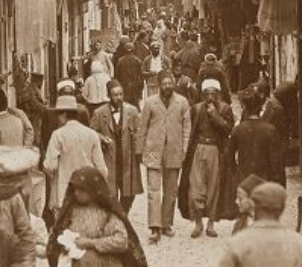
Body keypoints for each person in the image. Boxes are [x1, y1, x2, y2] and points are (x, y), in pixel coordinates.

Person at [135, 71, 192, 240]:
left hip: (174, 151)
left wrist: (185, 150)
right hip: (153, 151)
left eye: (170, 83)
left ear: (173, 84)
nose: (167, 86)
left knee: (171, 191)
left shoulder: (182, 102)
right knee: (153, 191)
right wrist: (139, 150)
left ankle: (166, 224)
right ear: (159, 85)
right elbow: (142, 128)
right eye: (164, 83)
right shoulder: (150, 103)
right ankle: (154, 226)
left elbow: (186, 128)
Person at [183, 77, 234, 238]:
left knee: (214, 188)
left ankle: (211, 224)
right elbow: (190, 132)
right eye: (207, 94)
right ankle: (198, 223)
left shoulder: (226, 109)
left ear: (218, 94)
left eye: (213, 94)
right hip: (198, 149)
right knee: (195, 188)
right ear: (203, 94)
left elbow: (229, 130)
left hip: (215, 151)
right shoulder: (196, 109)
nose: (210, 97)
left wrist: (216, 117)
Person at [43, 92, 109, 213]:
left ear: (63, 114)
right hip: (87, 191)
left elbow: (50, 166)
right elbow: (102, 169)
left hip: (63, 193)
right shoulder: (92, 134)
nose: (57, 118)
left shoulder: (58, 135)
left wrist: (53, 176)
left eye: (58, 114)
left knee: (64, 230)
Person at [92, 79, 142, 208]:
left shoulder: (132, 111)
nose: (119, 98)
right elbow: (91, 133)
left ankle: (122, 215)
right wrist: (103, 138)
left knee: (129, 194)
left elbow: (139, 132)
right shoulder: (99, 113)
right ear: (109, 96)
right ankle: (117, 219)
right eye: (115, 95)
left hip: (127, 160)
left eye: (121, 94)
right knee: (110, 193)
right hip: (109, 159)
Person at [229, 85, 284, 192]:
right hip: (264, 180)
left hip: (243, 179)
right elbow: (275, 161)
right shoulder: (270, 130)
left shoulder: (238, 130)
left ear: (245, 108)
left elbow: (230, 156)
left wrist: (236, 173)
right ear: (260, 109)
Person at [114, 39, 145, 106]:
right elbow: (141, 77)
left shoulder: (120, 61)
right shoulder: (137, 61)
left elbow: (116, 76)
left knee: (124, 106)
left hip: (123, 87)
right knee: (134, 108)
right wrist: (140, 89)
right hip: (134, 87)